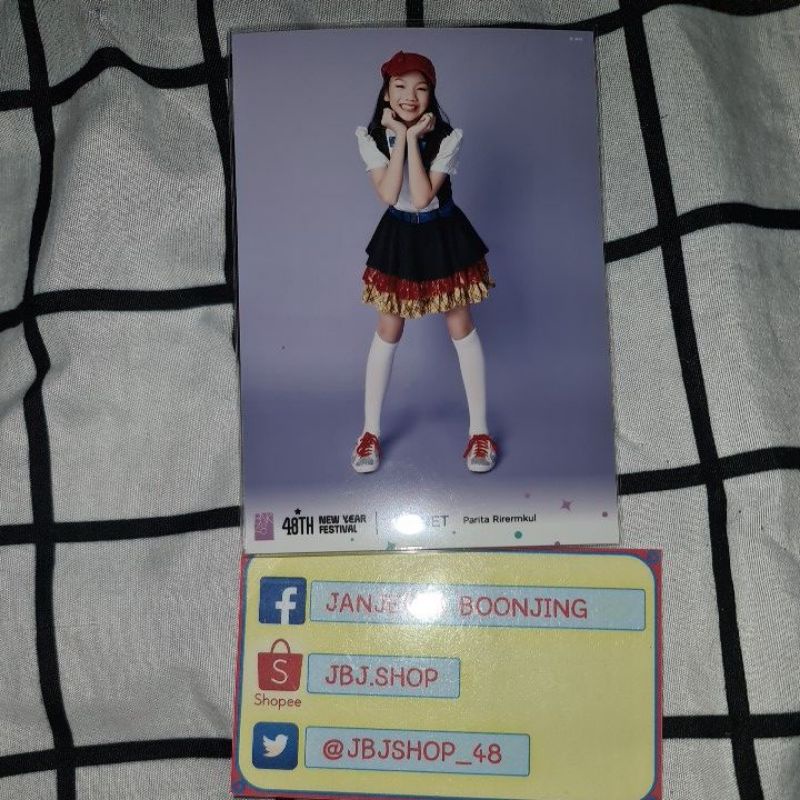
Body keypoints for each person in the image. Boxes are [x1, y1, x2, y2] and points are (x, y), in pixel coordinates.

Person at [352, 50, 498, 475]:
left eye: (420, 88)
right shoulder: (369, 137)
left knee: (460, 322)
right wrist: (399, 136)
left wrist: (413, 137)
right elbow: (389, 194)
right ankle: (369, 432)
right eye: (400, 87)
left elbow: (420, 196)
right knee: (389, 326)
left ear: (431, 94)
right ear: (386, 93)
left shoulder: (449, 137)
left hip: (441, 232)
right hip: (399, 235)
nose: (410, 96)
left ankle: (479, 432)